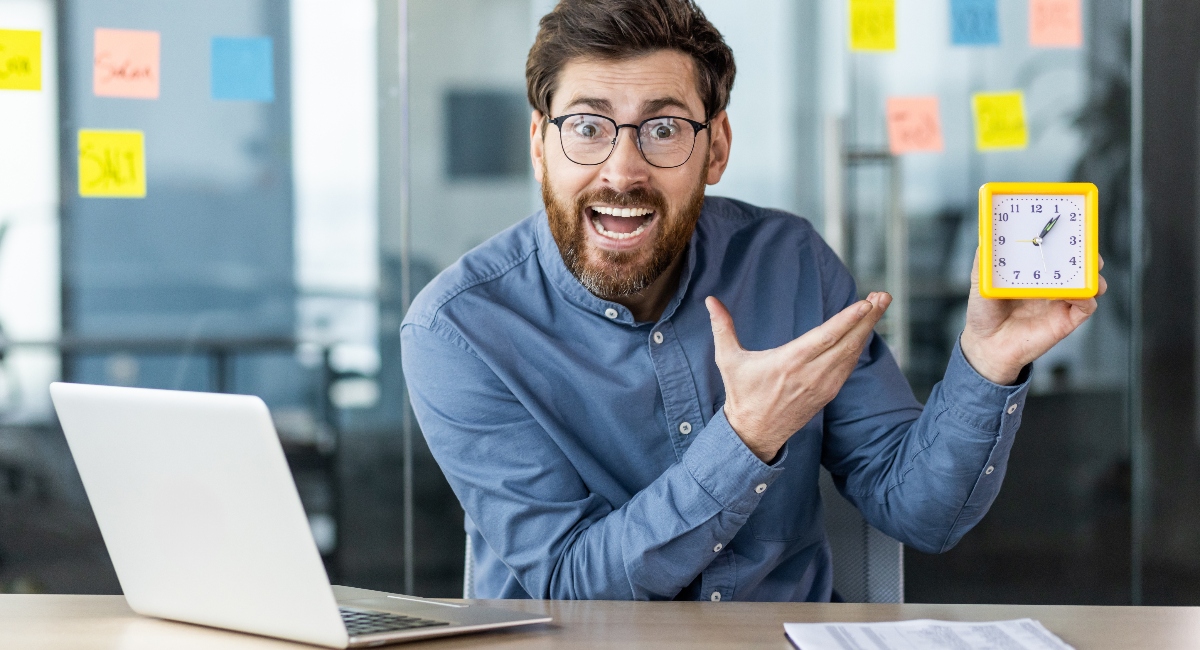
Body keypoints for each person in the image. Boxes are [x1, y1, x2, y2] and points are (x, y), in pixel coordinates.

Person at [400, 0, 1105, 601]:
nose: (622, 169)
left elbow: (921, 511)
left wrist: (987, 362)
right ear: (539, 145)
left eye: (665, 128)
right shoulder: (458, 329)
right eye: (586, 127)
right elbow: (570, 581)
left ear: (717, 149)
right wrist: (745, 440)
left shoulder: (791, 263)